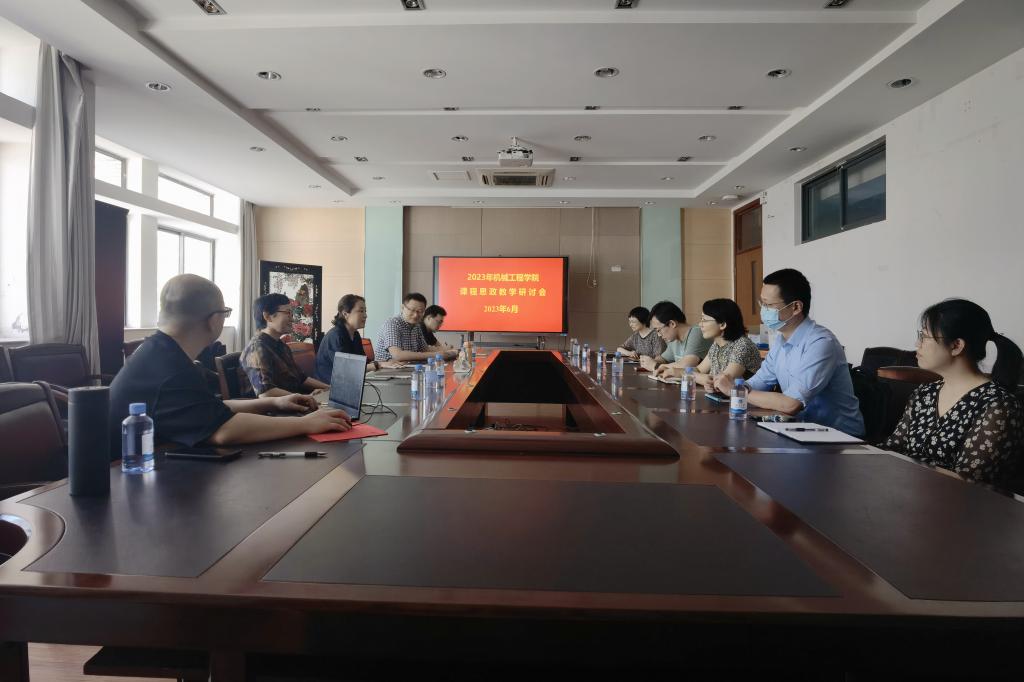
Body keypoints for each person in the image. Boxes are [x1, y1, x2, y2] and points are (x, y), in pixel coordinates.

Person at [108, 275, 350, 455]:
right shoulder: (170, 368)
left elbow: (209, 408)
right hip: (126, 479)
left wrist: (274, 402)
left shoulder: (160, 353)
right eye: (225, 313)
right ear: (214, 320)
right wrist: (305, 423)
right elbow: (224, 430)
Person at [882, 299, 1023, 488]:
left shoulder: (998, 405)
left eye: (925, 336)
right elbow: (892, 449)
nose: (917, 344)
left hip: (959, 503)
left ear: (956, 345)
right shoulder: (926, 392)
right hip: (910, 491)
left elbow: (967, 482)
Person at [714, 268, 864, 436]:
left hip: (839, 437)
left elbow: (791, 404)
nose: (763, 310)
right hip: (802, 429)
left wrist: (736, 392)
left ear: (796, 307)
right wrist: (728, 385)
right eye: (762, 303)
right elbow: (760, 380)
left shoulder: (821, 343)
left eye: (769, 305)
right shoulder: (781, 340)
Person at [240, 293, 330, 397]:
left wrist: (329, 388)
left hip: (293, 400)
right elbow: (266, 393)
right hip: (273, 407)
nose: (292, 319)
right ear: (268, 316)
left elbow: (301, 378)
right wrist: (305, 398)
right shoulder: (257, 348)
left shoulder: (281, 345)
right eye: (288, 313)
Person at [314, 294, 402, 383]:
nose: (365, 315)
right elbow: (346, 369)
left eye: (365, 311)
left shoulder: (355, 334)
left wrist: (387, 362)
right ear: (345, 314)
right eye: (361, 311)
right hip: (330, 385)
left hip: (349, 382)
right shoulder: (335, 335)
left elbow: (363, 362)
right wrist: (378, 365)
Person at [689, 298, 762, 389]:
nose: (700, 324)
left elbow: (723, 382)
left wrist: (695, 376)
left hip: (744, 397)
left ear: (723, 324)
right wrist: (677, 371)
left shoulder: (742, 345)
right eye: (701, 319)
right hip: (723, 396)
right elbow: (699, 370)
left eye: (704, 320)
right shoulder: (717, 345)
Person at [375, 293, 458, 363]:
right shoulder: (393, 323)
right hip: (386, 370)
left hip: (406, 367)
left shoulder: (416, 326)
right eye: (412, 310)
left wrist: (448, 352)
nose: (415, 315)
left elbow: (424, 349)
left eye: (420, 311)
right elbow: (397, 355)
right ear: (402, 308)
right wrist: (435, 355)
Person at [640, 301, 712, 374]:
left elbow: (687, 365)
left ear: (672, 324)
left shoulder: (697, 332)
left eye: (659, 330)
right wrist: (649, 362)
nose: (659, 335)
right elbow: (663, 359)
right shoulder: (674, 339)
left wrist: (656, 366)